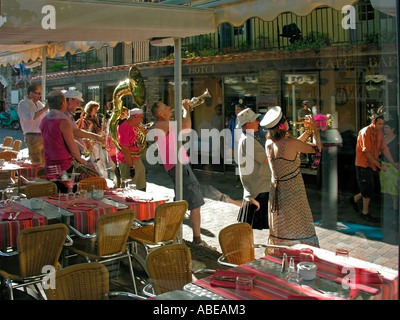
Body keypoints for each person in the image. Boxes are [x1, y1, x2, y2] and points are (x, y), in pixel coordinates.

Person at [151, 99, 215, 250]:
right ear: (161, 113)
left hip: (177, 165)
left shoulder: (163, 125)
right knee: (195, 201)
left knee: (182, 202)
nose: (169, 106)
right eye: (166, 106)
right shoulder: (162, 125)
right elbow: (186, 127)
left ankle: (171, 234)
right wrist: (185, 108)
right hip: (179, 166)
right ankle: (197, 239)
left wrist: (185, 110)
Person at [261, 106, 321, 248]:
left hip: (276, 192)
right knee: (299, 226)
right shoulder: (291, 144)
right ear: (283, 125)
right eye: (286, 120)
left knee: (282, 227)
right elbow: (317, 148)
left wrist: (307, 132)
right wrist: (315, 130)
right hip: (293, 191)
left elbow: (292, 146)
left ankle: (281, 252)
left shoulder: (268, 143)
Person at [350, 114, 400, 222]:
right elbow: (367, 153)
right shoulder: (365, 132)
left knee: (370, 187)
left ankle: (355, 199)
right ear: (373, 123)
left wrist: (393, 162)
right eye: (380, 124)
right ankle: (365, 212)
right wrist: (380, 165)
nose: (382, 126)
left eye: (383, 124)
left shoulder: (380, 133)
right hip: (363, 164)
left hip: (373, 164)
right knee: (368, 188)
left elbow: (384, 149)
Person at [39, 90, 87, 192]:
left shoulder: (44, 120)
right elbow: (72, 146)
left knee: (54, 192)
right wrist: (80, 159)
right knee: (68, 193)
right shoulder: (63, 121)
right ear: (62, 104)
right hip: (63, 165)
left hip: (49, 163)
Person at [236, 108, 271, 229]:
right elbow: (266, 159)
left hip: (254, 187)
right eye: (256, 120)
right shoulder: (248, 140)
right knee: (250, 227)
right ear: (249, 123)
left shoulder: (246, 139)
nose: (258, 122)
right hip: (258, 188)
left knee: (248, 226)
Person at [17, 82, 49, 164]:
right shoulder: (23, 103)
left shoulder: (39, 104)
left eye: (40, 93)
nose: (40, 96)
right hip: (32, 136)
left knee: (45, 161)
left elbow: (47, 116)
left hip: (43, 135)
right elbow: (28, 118)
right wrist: (44, 109)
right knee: (36, 161)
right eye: (38, 93)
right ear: (31, 93)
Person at [116, 108, 147, 191]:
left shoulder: (134, 126)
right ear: (135, 117)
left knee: (141, 185)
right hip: (127, 161)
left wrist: (143, 134)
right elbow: (125, 148)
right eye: (141, 118)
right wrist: (131, 167)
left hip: (136, 159)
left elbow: (135, 142)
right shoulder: (124, 127)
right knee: (129, 188)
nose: (142, 120)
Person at [77, 101, 108, 179]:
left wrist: (102, 130)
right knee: (96, 161)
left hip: (97, 141)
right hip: (91, 143)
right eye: (95, 108)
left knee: (102, 160)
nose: (96, 110)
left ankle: (104, 177)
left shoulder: (96, 119)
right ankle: (99, 177)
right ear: (90, 109)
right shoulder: (85, 120)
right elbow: (82, 131)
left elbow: (97, 129)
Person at [380, 120, 399, 227]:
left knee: (394, 189)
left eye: (387, 127)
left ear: (392, 129)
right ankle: (390, 209)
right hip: (385, 166)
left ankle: (395, 208)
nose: (385, 129)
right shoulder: (383, 139)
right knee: (386, 188)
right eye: (384, 127)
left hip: (394, 167)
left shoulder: (397, 140)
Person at [228, 103, 245, 188]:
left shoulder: (245, 119)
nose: (236, 111)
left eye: (238, 109)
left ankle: (245, 181)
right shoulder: (233, 120)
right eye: (235, 109)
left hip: (244, 144)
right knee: (237, 164)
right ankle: (239, 180)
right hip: (235, 144)